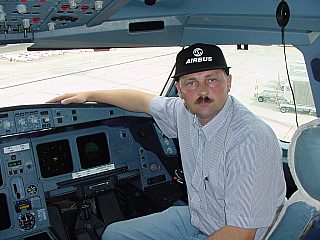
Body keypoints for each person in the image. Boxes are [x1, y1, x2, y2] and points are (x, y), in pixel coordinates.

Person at [47, 43, 286, 240]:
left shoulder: (249, 140)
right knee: (114, 234)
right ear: (180, 90)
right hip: (200, 218)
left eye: (211, 79)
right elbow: (141, 101)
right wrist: (89, 95)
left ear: (229, 81)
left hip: (238, 234)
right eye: (191, 82)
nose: (202, 90)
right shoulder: (185, 112)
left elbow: (240, 233)